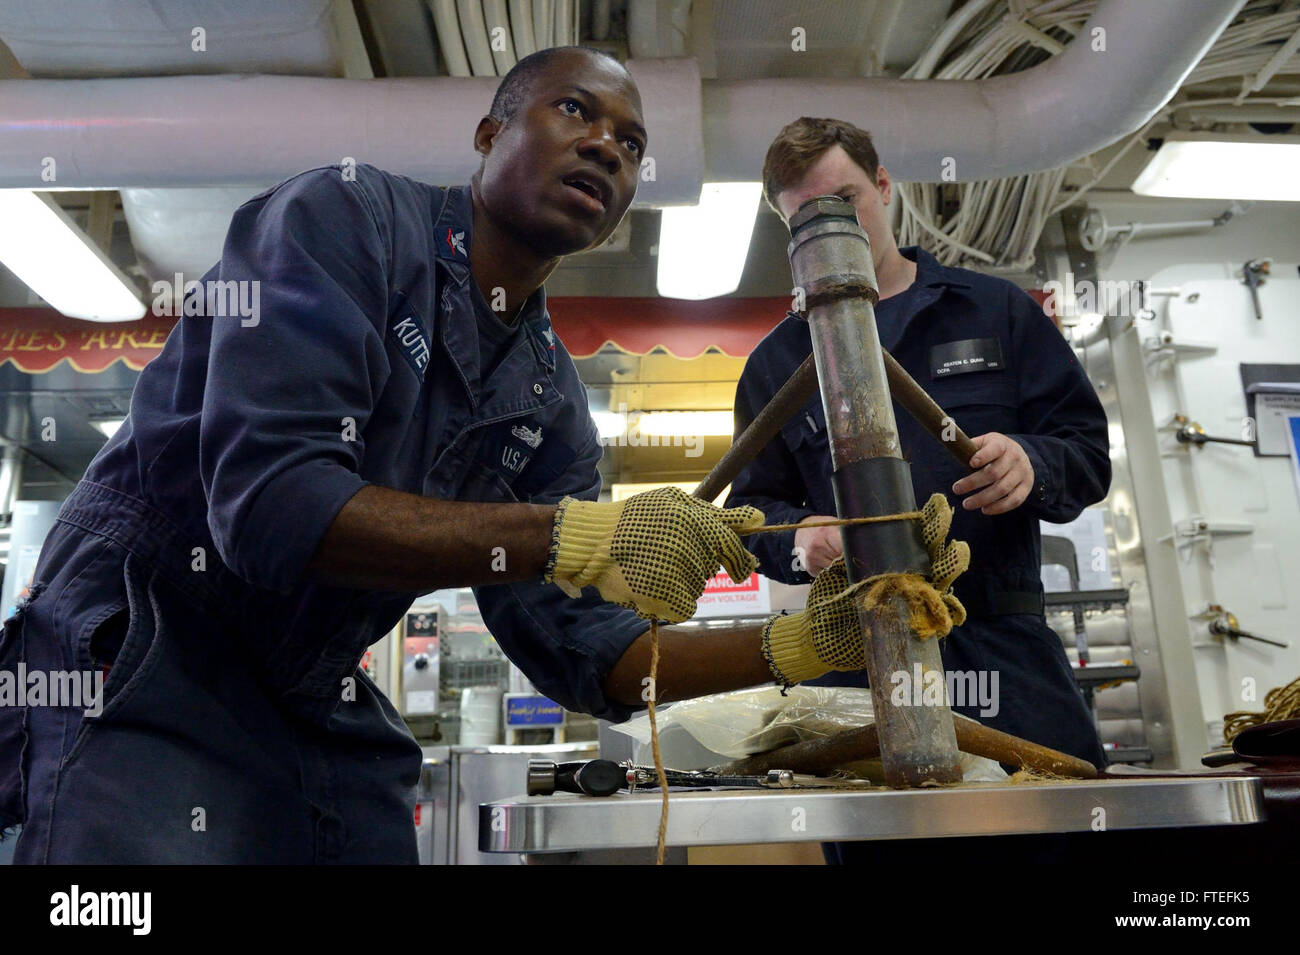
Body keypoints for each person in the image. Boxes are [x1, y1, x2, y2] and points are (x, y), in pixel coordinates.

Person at [0, 46, 834, 865]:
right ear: (487, 133)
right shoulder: (344, 219)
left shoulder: (548, 396)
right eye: (575, 109)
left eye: (632, 143)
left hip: (307, 681)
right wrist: (583, 533)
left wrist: (805, 647)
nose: (607, 146)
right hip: (150, 636)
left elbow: (588, 650)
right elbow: (271, 506)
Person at [727, 117, 1112, 777]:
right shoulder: (777, 364)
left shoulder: (998, 312)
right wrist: (800, 537)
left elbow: (1085, 455)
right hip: (860, 659)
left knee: (1058, 824)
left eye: (845, 200)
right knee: (886, 840)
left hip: (1004, 652)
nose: (832, 225)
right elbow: (750, 511)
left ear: (883, 186)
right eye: (806, 217)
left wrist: (1031, 462)